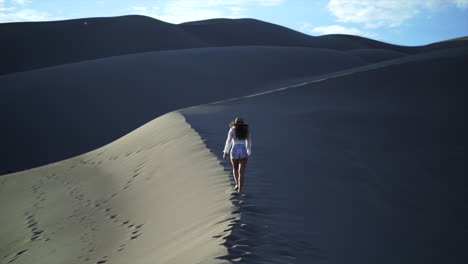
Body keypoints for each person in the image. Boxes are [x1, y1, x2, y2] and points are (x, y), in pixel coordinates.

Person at [223, 117, 251, 193]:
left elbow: (228, 141)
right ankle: (240, 190)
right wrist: (248, 152)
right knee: (241, 171)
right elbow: (248, 142)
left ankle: (237, 185)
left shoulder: (232, 130)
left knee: (235, 169)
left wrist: (226, 152)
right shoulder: (246, 130)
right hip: (243, 150)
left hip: (234, 150)